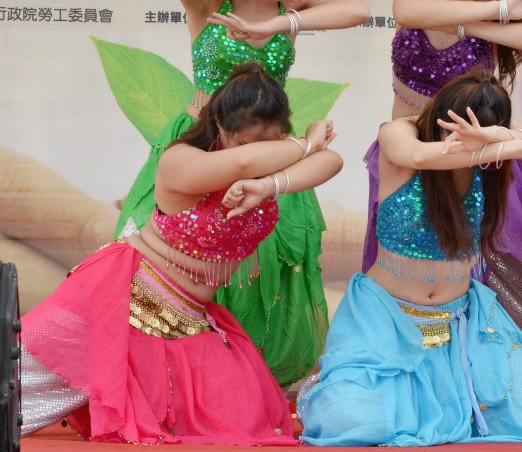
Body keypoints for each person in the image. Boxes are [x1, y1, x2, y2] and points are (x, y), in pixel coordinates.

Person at [113, 0, 369, 387]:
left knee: (261, 266)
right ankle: (169, 376)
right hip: (201, 140)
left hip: (268, 151)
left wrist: (280, 22)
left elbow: (357, 11)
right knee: (177, 255)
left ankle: (244, 381)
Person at [21, 64, 344, 444]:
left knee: (245, 422)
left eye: (268, 142)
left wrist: (270, 184)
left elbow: (332, 162)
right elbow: (244, 162)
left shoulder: (265, 168)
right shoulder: (181, 160)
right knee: (18, 387)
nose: (256, 152)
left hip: (189, 318)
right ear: (220, 125)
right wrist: (305, 143)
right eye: (246, 142)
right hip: (123, 299)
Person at [299, 72, 522, 446]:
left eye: (478, 132)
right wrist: (509, 147)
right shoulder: (400, 134)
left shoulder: (492, 154)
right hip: (386, 322)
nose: (465, 140)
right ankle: (339, 383)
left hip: (464, 326)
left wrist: (500, 138)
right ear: (442, 117)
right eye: (458, 130)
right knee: (352, 422)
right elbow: (419, 156)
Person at [363, 0, 522, 351]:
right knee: (412, 256)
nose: (495, 12)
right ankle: (413, 349)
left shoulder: (487, 24)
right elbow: (406, 10)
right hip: (414, 154)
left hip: (476, 156)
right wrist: (496, 12)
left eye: (504, 5)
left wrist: (475, 21)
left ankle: (505, 351)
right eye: (484, 0)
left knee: (503, 259)